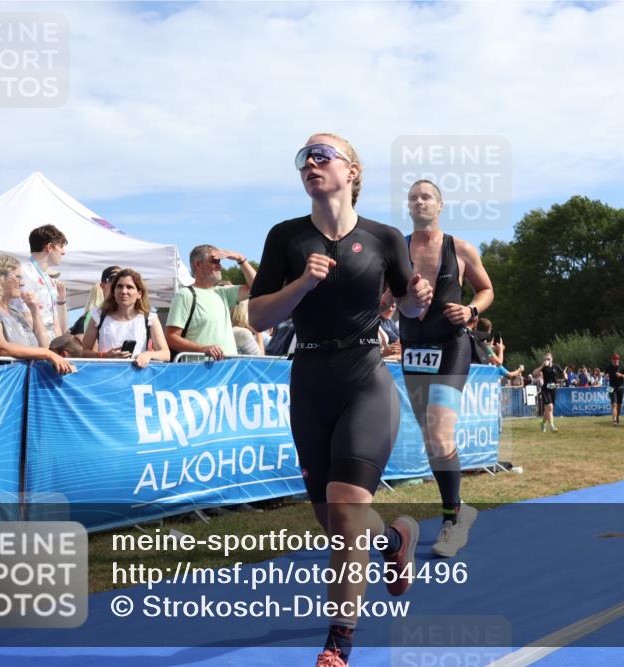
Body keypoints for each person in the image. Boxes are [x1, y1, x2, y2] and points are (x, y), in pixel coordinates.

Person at [247, 133, 433, 667]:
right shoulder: (285, 236)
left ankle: (338, 644)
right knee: (334, 521)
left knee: (348, 507)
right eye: (304, 157)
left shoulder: (383, 237)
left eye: (322, 155)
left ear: (351, 171)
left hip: (365, 378)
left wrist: (417, 299)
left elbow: (410, 308)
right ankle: (395, 540)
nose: (311, 163)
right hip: (309, 379)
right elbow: (257, 317)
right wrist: (301, 285)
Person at [397, 178, 495, 559]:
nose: (419, 202)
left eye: (426, 197)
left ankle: (451, 523)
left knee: (439, 432)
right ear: (408, 207)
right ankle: (459, 508)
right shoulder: (397, 249)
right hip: (413, 348)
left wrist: (470, 310)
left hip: (452, 346)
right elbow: (384, 298)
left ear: (440, 206)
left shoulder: (461, 248)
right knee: (432, 441)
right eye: (413, 197)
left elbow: (486, 290)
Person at [0, 254, 73, 374]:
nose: (22, 283)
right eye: (18, 277)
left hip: (23, 381)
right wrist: (47, 354)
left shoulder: (15, 313)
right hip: (3, 381)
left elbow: (44, 346)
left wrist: (34, 311)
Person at [165, 245, 256, 360]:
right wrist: (203, 349)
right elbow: (171, 338)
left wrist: (240, 259)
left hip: (227, 368)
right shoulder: (185, 295)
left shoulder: (223, 292)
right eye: (214, 261)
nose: (220, 266)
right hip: (200, 369)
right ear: (198, 265)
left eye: (219, 261)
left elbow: (258, 287)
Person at [81, 269, 170, 368]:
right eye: (119, 286)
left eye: (129, 287)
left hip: (137, 374)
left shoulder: (149, 318)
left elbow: (166, 354)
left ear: (139, 294)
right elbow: (83, 352)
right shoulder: (99, 315)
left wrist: (148, 355)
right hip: (106, 373)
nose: (124, 291)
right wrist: (105, 355)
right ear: (114, 291)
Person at [12, 224, 68, 343]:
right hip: (32, 344)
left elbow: (55, 321)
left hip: (49, 346)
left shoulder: (49, 279)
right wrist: (44, 348)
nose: (63, 252)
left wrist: (58, 347)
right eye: (61, 246)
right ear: (49, 247)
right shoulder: (24, 272)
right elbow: (26, 316)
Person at [70, 266, 121, 339]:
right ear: (102, 285)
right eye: (113, 280)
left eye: (121, 280)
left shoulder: (131, 312)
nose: (117, 284)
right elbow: (86, 345)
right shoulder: (94, 314)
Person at [533, 352, 561, 432]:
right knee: (550, 407)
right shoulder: (544, 367)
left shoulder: (556, 366)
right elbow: (534, 373)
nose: (547, 360)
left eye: (548, 359)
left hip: (553, 389)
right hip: (545, 389)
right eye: (546, 359)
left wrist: (565, 375)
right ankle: (552, 427)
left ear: (552, 359)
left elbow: (562, 373)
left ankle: (543, 423)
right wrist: (542, 365)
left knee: (548, 409)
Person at [605, 352, 624, 425]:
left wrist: (621, 375)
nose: (615, 360)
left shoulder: (622, 367)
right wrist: (606, 376)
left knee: (619, 405)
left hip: (620, 388)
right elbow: (605, 374)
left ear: (618, 360)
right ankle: (614, 420)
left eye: (617, 359)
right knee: (614, 405)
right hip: (612, 388)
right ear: (612, 360)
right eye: (614, 359)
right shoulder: (608, 367)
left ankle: (617, 417)